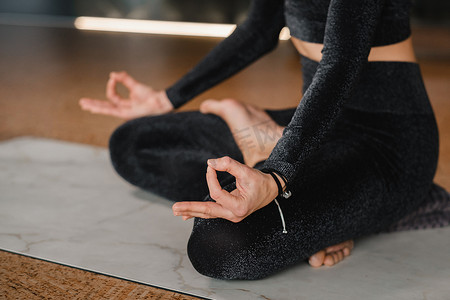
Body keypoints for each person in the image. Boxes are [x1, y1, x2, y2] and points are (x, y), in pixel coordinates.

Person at [79, 0, 446, 279]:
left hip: (386, 147)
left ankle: (282, 164)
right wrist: (165, 99)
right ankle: (293, 175)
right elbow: (259, 30)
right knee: (134, 144)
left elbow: (340, 62)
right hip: (309, 127)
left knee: (220, 246)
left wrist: (275, 174)